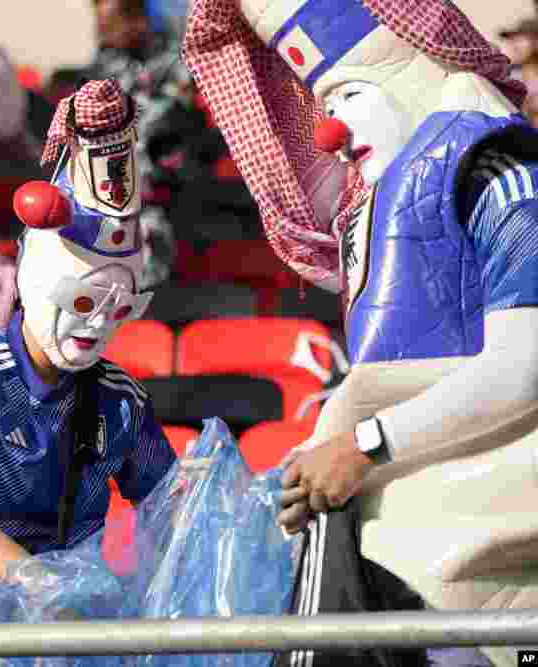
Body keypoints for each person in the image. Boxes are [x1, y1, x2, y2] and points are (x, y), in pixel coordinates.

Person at [184, 2, 538, 666]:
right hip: (391, 554)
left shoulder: (506, 178)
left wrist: (364, 446)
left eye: (347, 94)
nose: (331, 130)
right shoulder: (384, 215)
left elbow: (527, 363)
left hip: (482, 570)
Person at [0, 80, 177, 662]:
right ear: (37, 284)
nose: (96, 325)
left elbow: (171, 509)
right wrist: (28, 578)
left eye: (117, 309)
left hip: (66, 631)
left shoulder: (121, 403)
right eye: (81, 303)